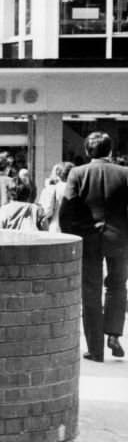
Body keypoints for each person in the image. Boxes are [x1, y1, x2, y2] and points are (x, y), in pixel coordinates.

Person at [60, 132, 128, 363]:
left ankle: (95, 348)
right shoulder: (124, 173)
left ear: (87, 151)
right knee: (117, 286)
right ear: (110, 151)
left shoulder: (77, 173)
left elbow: (66, 213)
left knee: (90, 291)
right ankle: (114, 334)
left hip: (87, 239)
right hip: (119, 239)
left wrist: (72, 237)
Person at [38, 161, 74, 232]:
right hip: (73, 227)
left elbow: (47, 211)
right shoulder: (76, 188)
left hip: (56, 226)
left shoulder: (53, 188)